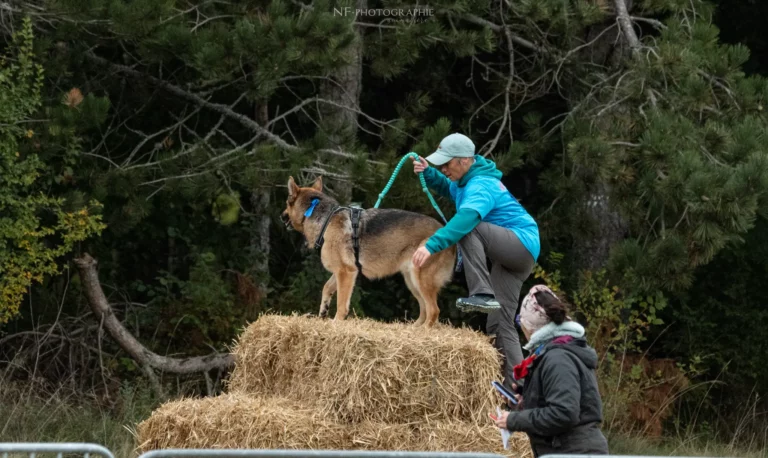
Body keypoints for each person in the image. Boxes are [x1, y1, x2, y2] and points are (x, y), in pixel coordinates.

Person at [410, 132, 540, 385]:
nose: (444, 168)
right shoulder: (465, 182)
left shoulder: (481, 184)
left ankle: (481, 292)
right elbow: (450, 189)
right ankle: (518, 391)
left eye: (447, 164)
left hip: (520, 244)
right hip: (515, 257)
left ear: (464, 160)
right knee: (499, 325)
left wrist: (432, 244)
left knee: (469, 226)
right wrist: (429, 173)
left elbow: (467, 218)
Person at [493, 285, 609, 457]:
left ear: (530, 326)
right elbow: (558, 405)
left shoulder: (558, 359)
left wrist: (514, 420)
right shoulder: (554, 353)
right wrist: (524, 404)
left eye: (520, 321)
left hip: (573, 452)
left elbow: (564, 413)